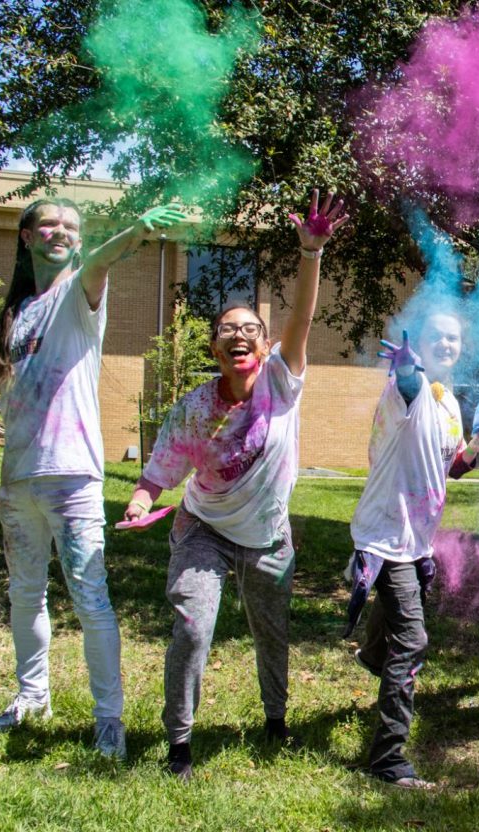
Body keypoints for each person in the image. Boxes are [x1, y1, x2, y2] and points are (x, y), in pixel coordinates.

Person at [0, 197, 187, 758]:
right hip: (17, 478)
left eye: (70, 225)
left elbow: (98, 264)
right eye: (49, 223)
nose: (60, 231)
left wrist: (136, 230)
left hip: (72, 476)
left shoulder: (78, 295)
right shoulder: (12, 316)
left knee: (91, 599)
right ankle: (31, 696)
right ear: (26, 237)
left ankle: (109, 721)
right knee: (25, 595)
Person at [121, 191, 346, 780]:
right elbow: (158, 474)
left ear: (266, 346)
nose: (239, 335)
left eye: (251, 329)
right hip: (205, 528)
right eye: (228, 330)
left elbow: (300, 318)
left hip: (268, 537)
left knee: (271, 631)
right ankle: (179, 746)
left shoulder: (281, 381)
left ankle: (276, 720)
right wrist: (141, 500)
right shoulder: (193, 409)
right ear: (215, 347)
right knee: (193, 627)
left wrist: (311, 255)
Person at [348, 308, 479, 789]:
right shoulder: (405, 387)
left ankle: (373, 656)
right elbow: (409, 387)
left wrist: (475, 448)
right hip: (386, 535)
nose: (447, 344)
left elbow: (447, 466)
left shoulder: (450, 401)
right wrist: (408, 369)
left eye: (454, 338)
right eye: (437, 336)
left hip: (416, 540)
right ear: (419, 342)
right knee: (412, 642)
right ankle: (387, 760)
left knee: (395, 629)